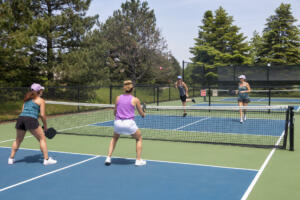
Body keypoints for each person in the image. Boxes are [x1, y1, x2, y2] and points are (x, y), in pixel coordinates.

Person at [8, 83, 57, 165]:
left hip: (21, 119)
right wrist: (45, 127)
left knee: (18, 139)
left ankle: (11, 159)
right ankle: (46, 159)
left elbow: (23, 111)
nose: (42, 91)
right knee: (42, 139)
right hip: (30, 120)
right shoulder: (41, 100)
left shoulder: (26, 99)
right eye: (41, 90)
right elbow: (42, 115)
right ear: (39, 91)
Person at [105, 80, 146, 166]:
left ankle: (108, 157)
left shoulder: (118, 98)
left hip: (118, 122)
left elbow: (114, 112)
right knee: (138, 138)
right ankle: (138, 160)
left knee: (115, 138)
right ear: (132, 89)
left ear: (124, 88)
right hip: (129, 124)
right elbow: (142, 114)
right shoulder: (135, 100)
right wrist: (144, 112)